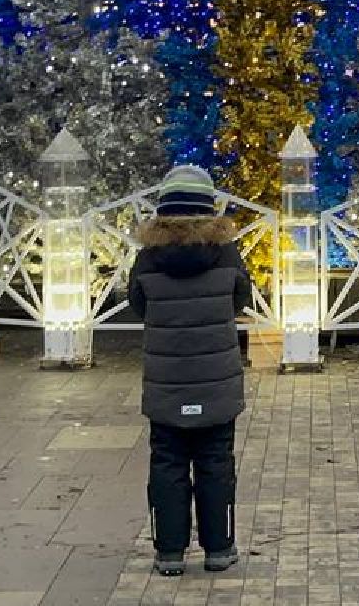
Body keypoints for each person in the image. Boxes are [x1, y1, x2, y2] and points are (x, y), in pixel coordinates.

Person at [126, 165, 253, 576]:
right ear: (208, 210)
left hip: (167, 387)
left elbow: (139, 307)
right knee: (217, 463)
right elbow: (239, 303)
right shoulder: (227, 254)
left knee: (167, 465)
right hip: (217, 384)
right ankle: (219, 549)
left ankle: (169, 554)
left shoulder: (147, 260)